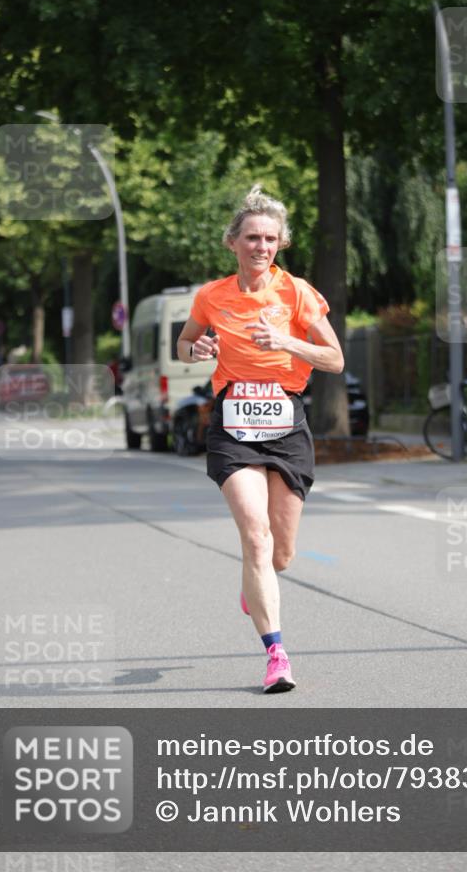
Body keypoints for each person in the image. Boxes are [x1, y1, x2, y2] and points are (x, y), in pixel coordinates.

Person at [177, 185, 344, 693]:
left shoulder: (296, 293)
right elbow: (184, 345)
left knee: (281, 554)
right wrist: (197, 349)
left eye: (270, 238)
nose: (261, 246)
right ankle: (276, 654)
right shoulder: (212, 296)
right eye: (252, 237)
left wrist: (288, 340)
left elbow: (334, 359)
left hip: (285, 422)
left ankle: (256, 585)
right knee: (255, 537)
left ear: (280, 244)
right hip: (233, 423)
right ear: (233, 242)